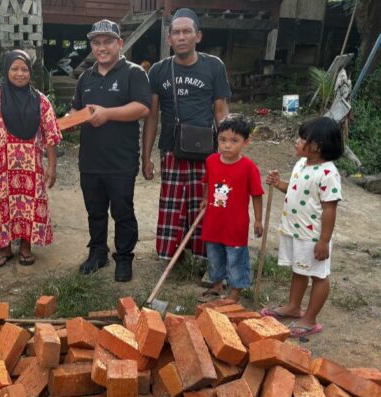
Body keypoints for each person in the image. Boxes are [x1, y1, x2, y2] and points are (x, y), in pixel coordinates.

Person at [142, 8, 231, 262]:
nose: (181, 37)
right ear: (169, 39)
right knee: (172, 204)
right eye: (176, 32)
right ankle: (169, 254)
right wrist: (145, 157)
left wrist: (228, 150)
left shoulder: (214, 66)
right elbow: (152, 116)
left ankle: (202, 254)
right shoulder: (159, 70)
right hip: (171, 148)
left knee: (202, 202)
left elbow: (221, 111)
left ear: (198, 36)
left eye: (187, 31)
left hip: (207, 149)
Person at [70, 19, 151, 282]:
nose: (101, 47)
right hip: (90, 159)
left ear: (119, 43)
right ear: (92, 46)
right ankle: (97, 253)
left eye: (107, 42)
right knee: (95, 210)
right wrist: (63, 121)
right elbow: (77, 110)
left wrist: (107, 114)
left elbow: (142, 108)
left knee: (122, 210)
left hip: (121, 159)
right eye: (96, 42)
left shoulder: (134, 73)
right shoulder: (86, 77)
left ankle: (124, 258)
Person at [0, 50, 61, 267]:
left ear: (31, 72)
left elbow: (51, 136)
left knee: (28, 207)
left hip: (31, 168)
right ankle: (4, 249)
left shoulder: (41, 101)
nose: (19, 74)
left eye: (24, 69)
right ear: (6, 70)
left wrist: (52, 165)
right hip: (2, 168)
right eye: (14, 69)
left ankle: (25, 247)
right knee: (2, 204)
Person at [264, 116, 344, 338]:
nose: (296, 141)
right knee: (299, 269)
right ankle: (293, 307)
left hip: (313, 237)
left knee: (318, 275)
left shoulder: (328, 173)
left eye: (302, 138)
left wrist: (324, 241)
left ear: (317, 146)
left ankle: (310, 319)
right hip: (294, 230)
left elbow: (329, 209)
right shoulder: (302, 163)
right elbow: (297, 190)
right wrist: (279, 184)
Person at [199, 114, 264, 303]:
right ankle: (217, 284)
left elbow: (257, 195)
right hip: (214, 220)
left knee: (236, 258)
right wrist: (205, 199)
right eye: (222, 140)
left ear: (246, 142)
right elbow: (208, 182)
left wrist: (258, 220)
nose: (227, 145)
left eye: (234, 141)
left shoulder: (248, 167)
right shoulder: (211, 161)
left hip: (235, 224)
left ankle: (235, 291)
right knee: (214, 255)